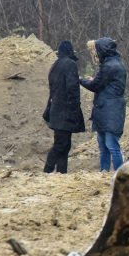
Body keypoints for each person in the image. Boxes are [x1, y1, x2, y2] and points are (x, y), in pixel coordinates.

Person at [80, 37, 127, 172]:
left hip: (109, 110)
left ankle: (117, 173)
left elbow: (95, 85)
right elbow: (103, 83)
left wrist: (81, 80)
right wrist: (95, 80)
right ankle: (105, 173)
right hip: (108, 110)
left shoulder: (109, 66)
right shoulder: (115, 63)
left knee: (110, 145)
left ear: (102, 51)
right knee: (106, 145)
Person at [43, 40, 85, 173]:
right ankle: (47, 170)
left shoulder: (55, 65)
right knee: (61, 144)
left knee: (64, 144)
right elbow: (72, 88)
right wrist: (75, 109)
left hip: (56, 110)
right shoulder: (70, 64)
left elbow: (53, 89)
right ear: (70, 51)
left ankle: (62, 172)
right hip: (65, 111)